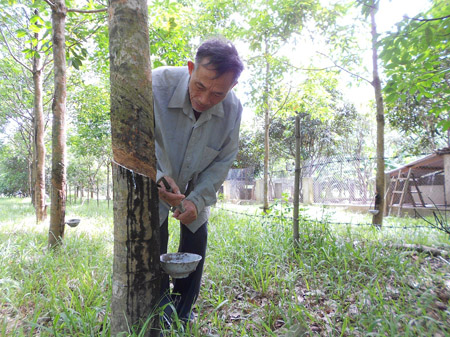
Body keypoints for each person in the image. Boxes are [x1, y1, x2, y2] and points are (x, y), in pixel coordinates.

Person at [153, 38, 244, 324]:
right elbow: (129, 142)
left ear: (231, 88)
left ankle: (183, 309)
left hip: (197, 182)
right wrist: (155, 176)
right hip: (151, 179)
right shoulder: (155, 86)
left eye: (217, 94)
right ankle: (158, 305)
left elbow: (222, 162)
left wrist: (197, 199)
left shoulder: (233, 110)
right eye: (200, 87)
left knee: (196, 236)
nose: (204, 100)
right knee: (152, 238)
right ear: (191, 68)